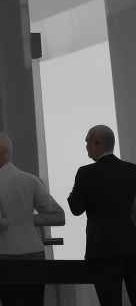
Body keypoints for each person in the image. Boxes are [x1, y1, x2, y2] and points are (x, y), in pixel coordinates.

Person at [0, 132, 64, 306]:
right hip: (34, 253)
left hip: (4, 255)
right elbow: (59, 217)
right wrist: (29, 219)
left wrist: (12, 220)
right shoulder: (31, 180)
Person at [67, 124, 136, 306]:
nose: (86, 146)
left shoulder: (85, 173)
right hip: (131, 246)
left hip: (101, 250)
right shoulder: (132, 170)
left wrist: (73, 193)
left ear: (98, 143)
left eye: (88, 141)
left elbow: (76, 208)